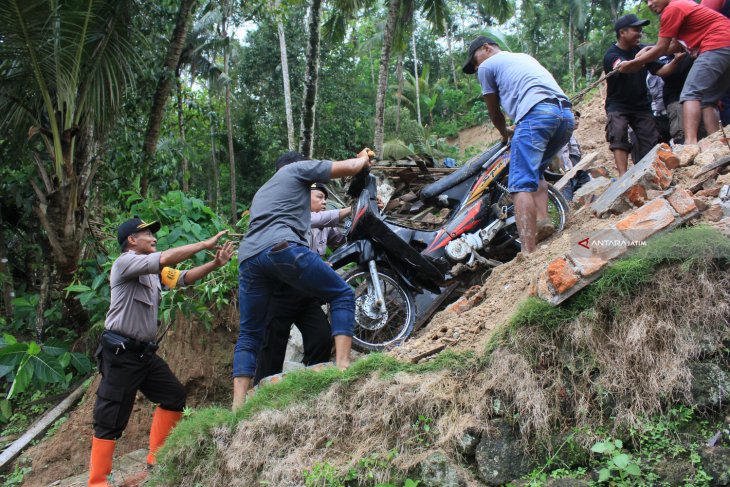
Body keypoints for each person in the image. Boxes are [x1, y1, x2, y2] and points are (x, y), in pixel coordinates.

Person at [88, 218, 234, 487]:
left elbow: (182, 278)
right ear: (132, 240)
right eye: (147, 233)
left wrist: (215, 264)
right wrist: (204, 243)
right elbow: (165, 257)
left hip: (143, 354)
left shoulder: (154, 271)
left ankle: (157, 462)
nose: (153, 237)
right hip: (121, 354)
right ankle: (98, 483)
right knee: (110, 418)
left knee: (173, 395)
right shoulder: (125, 263)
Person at [233, 149, 372, 410]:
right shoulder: (296, 170)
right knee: (342, 293)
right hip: (281, 250)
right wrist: (363, 158)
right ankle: (343, 367)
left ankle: (237, 408)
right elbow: (351, 166)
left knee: (250, 334)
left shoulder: (263, 191)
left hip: (249, 258)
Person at [462, 36, 574, 254]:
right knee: (536, 172)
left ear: (486, 48)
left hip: (536, 116)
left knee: (520, 183)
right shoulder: (523, 57)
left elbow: (494, 112)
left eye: (475, 62)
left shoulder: (487, 66)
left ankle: (527, 251)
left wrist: (505, 133)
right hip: (564, 117)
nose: (476, 68)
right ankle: (543, 221)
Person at [252, 183, 350, 386]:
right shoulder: (296, 218)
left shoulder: (326, 226)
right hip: (282, 291)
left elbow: (343, 239)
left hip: (307, 293)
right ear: (304, 199)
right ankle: (261, 393)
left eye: (325, 198)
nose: (324, 202)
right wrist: (353, 208)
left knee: (321, 336)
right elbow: (320, 219)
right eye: (319, 197)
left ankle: (315, 385)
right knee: (272, 345)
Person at [620, 0, 730, 145]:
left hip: (716, 44)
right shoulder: (683, 5)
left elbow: (661, 48)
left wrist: (634, 63)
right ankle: (718, 143)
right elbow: (674, 46)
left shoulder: (672, 9)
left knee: (690, 94)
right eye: (647, 1)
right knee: (707, 100)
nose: (650, 4)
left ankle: (690, 144)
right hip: (724, 44)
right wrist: (647, 51)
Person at [603, 14, 660, 176]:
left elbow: (661, 70)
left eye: (641, 30)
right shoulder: (612, 55)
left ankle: (650, 174)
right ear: (622, 32)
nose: (640, 33)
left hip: (641, 105)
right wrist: (645, 56)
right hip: (618, 105)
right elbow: (625, 68)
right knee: (618, 129)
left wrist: (676, 59)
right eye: (636, 30)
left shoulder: (642, 51)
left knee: (651, 139)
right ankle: (623, 176)